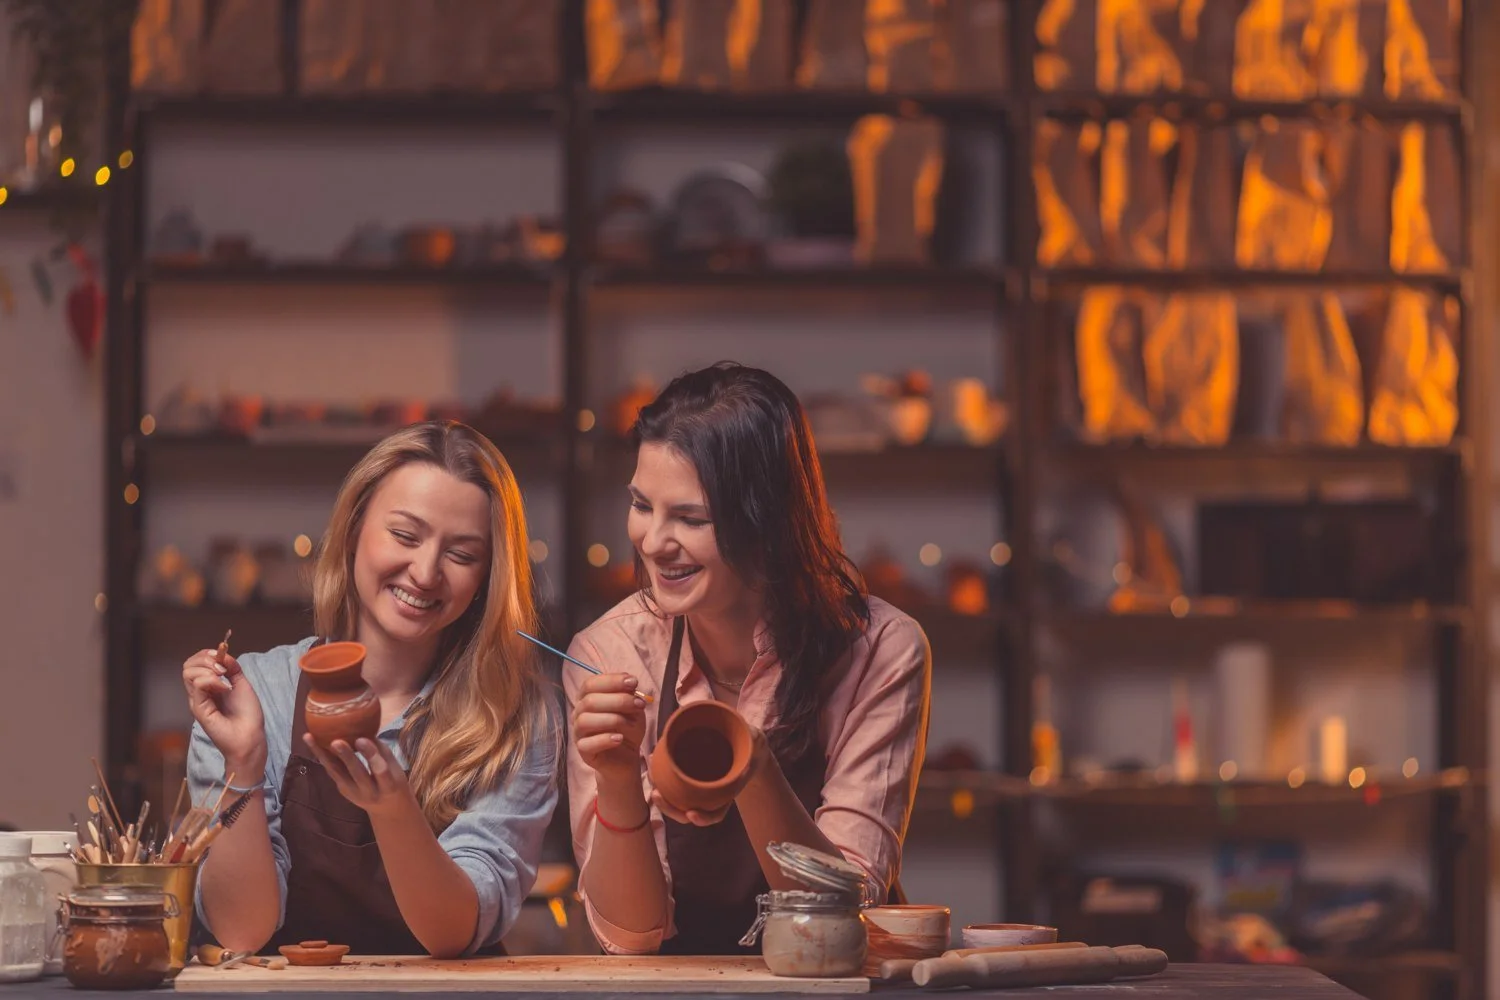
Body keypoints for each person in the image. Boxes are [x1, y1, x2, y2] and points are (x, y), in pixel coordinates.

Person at [565, 362, 932, 955]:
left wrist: (753, 769)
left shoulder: (881, 649)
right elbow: (630, 936)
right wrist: (615, 778)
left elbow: (845, 908)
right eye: (641, 505)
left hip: (832, 987)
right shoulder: (610, 651)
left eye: (690, 518)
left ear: (768, 524)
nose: (654, 541)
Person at [182, 421, 558, 958]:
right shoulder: (257, 692)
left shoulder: (516, 715)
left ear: (487, 577)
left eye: (462, 554)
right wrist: (242, 763)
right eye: (405, 536)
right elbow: (241, 933)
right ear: (355, 528)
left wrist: (393, 809)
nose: (425, 572)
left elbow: (453, 932)